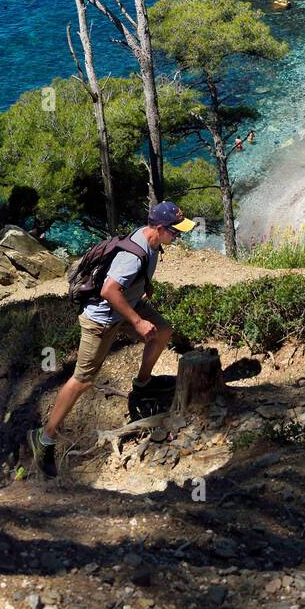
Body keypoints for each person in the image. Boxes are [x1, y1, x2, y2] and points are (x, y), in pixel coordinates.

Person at [28, 201, 195, 473]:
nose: (179, 236)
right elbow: (108, 290)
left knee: (163, 331)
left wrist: (145, 288)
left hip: (127, 306)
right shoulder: (134, 255)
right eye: (176, 231)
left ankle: (142, 384)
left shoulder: (151, 241)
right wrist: (138, 321)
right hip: (101, 319)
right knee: (82, 380)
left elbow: (127, 281)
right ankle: (44, 438)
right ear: (161, 228)